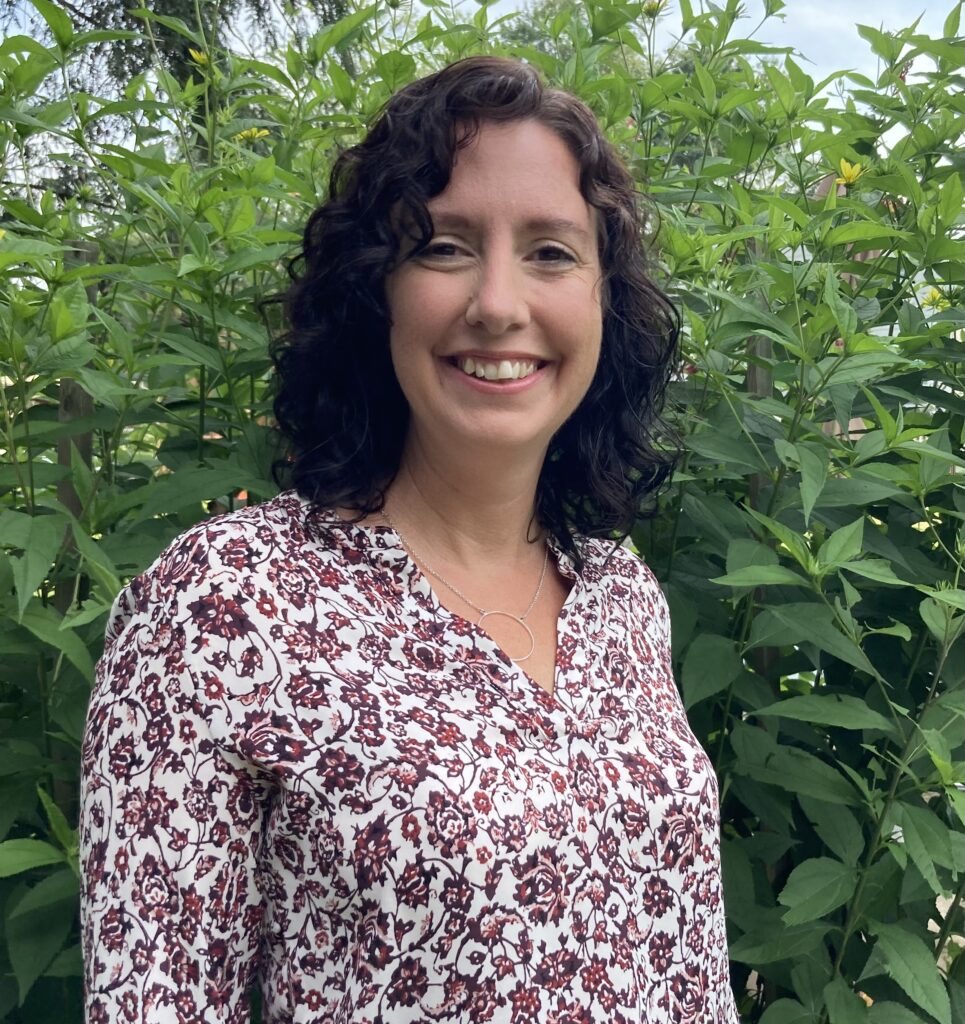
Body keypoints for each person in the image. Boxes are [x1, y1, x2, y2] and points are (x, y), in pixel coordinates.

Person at [80, 56, 739, 1024]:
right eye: (442, 246)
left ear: (603, 302)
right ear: (372, 288)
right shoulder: (227, 604)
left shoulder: (617, 592)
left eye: (551, 252)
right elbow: (156, 1000)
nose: (500, 303)